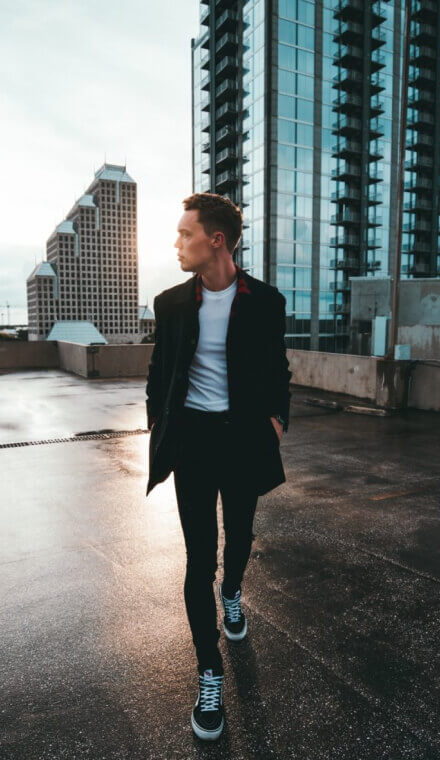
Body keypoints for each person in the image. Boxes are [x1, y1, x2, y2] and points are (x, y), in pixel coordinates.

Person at [145, 192, 292, 741]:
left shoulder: (265, 301)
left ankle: (234, 593)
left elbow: (278, 368)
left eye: (186, 234)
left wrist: (276, 420)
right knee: (197, 558)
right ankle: (209, 674)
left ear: (217, 241)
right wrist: (157, 421)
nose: (177, 244)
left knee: (241, 537)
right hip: (193, 444)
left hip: (244, 439)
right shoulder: (172, 303)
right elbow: (161, 368)